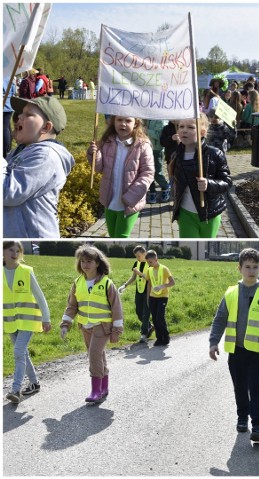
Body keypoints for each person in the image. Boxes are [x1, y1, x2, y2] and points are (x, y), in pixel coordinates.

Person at [209, 248, 259, 443]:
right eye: (247, 267)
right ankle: (242, 417)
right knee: (240, 387)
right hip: (237, 350)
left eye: (255, 267)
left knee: (255, 386)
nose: (251, 271)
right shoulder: (231, 293)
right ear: (239, 268)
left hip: (258, 351)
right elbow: (220, 319)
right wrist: (213, 342)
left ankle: (257, 424)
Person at [59, 245, 123, 404]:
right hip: (85, 326)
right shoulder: (77, 282)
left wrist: (117, 330)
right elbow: (72, 306)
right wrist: (65, 324)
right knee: (98, 356)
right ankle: (104, 387)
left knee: (94, 355)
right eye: (82, 261)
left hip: (102, 326)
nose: (85, 264)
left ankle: (95, 391)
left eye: (89, 261)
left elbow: (117, 308)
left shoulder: (107, 283)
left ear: (97, 263)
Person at [4, 95, 74, 238]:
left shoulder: (46, 156)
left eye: (28, 114)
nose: (19, 117)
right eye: (20, 113)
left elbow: (8, 193)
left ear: (46, 127)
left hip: (32, 237)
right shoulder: (20, 151)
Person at [87, 115, 155, 238]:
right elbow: (98, 168)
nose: (123, 124)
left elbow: (148, 173)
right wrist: (94, 154)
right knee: (113, 236)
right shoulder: (107, 142)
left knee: (121, 237)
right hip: (110, 199)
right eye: (119, 120)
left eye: (128, 120)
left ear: (136, 123)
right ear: (113, 121)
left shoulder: (143, 145)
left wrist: (132, 196)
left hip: (129, 202)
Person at [169, 115, 232, 238]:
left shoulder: (214, 154)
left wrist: (209, 184)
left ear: (202, 132)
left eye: (190, 127)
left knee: (206, 246)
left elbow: (227, 182)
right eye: (181, 126)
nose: (184, 130)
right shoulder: (176, 155)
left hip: (209, 214)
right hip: (185, 213)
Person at [4, 241, 51, 403]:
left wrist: (46, 318)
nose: (14, 253)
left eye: (18, 251)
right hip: (10, 321)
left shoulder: (26, 271)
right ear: (3, 251)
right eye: (11, 250)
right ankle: (35, 383)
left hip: (28, 320)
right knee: (22, 353)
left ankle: (15, 390)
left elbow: (40, 296)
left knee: (18, 352)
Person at [118, 245, 153, 342]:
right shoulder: (136, 263)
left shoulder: (150, 263)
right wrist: (125, 285)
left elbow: (150, 278)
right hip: (139, 291)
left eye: (139, 255)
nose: (137, 258)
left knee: (146, 313)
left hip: (149, 291)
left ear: (144, 253)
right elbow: (133, 277)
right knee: (139, 312)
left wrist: (139, 273)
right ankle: (150, 327)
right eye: (136, 256)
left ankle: (143, 334)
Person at [145, 250, 175, 346]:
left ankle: (165, 336)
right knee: (154, 318)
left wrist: (162, 286)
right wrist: (148, 298)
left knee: (159, 317)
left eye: (150, 262)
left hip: (163, 296)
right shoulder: (149, 270)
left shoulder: (164, 269)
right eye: (147, 262)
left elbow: (172, 282)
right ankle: (159, 338)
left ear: (156, 259)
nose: (149, 264)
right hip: (152, 297)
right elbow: (149, 284)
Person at [146, 119, 171, 203]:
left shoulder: (161, 120)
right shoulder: (146, 117)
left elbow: (158, 136)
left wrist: (146, 130)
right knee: (148, 171)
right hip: (146, 147)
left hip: (156, 149)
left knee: (157, 173)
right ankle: (152, 191)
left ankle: (165, 188)